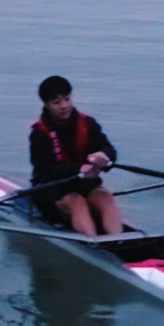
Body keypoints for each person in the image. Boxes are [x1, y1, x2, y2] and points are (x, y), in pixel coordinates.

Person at [28, 76, 126, 237]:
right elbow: (44, 172)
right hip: (51, 191)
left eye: (67, 99)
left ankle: (119, 241)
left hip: (84, 185)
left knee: (105, 197)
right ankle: (93, 244)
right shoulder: (39, 134)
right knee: (76, 201)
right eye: (56, 102)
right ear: (46, 104)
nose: (64, 106)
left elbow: (109, 150)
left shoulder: (88, 123)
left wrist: (104, 156)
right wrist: (78, 169)